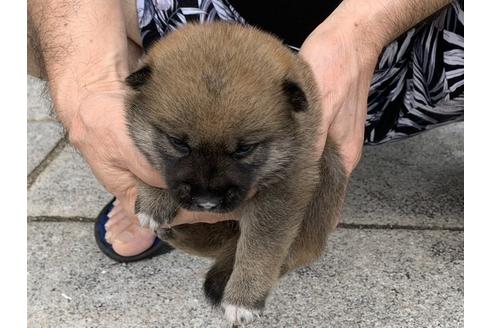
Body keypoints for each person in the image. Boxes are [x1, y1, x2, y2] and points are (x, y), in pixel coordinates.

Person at [27, 0, 464, 261]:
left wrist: (358, 34)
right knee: (34, 26)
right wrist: (89, 82)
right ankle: (149, 172)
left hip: (424, 36)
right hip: (200, 18)